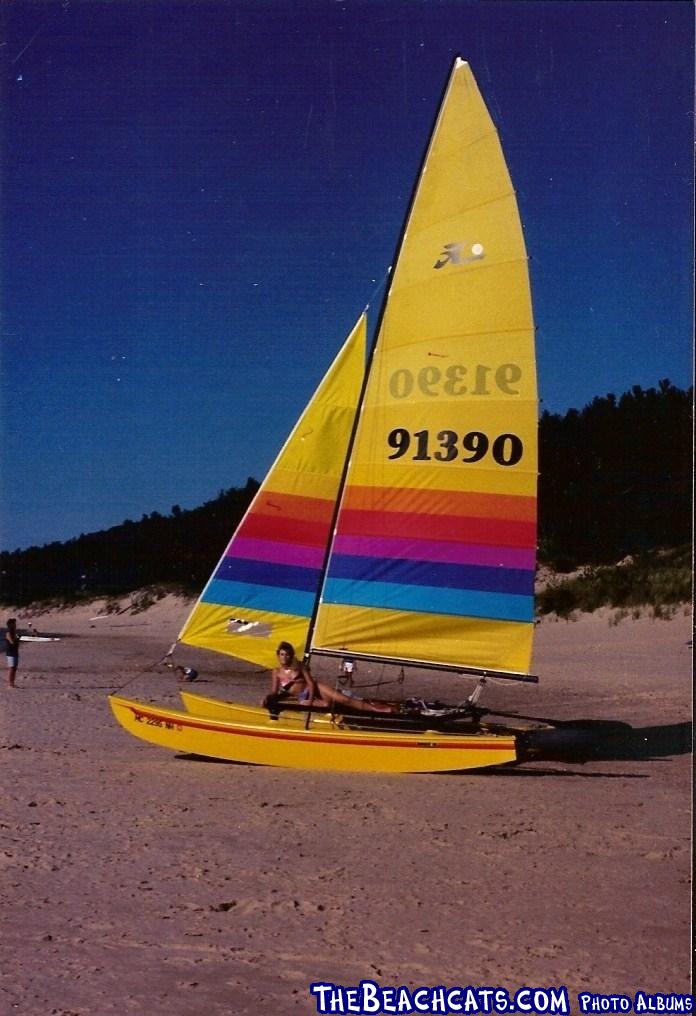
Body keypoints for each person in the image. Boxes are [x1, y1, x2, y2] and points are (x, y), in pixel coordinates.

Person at [263, 642, 398, 714]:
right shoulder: (276, 672)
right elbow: (274, 691)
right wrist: (268, 697)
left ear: (291, 655)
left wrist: (310, 701)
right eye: (281, 654)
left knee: (344, 699)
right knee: (328, 705)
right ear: (278, 655)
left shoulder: (300, 666)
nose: (284, 657)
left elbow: (310, 683)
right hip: (302, 698)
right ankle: (367, 708)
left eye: (286, 655)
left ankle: (378, 710)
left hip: (316, 689)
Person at [5, 618, 19, 688]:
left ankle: (12, 683)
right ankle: (10, 683)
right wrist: (16, 638)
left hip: (15, 652)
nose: (15, 625)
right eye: (14, 624)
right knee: (11, 668)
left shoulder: (14, 633)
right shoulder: (8, 633)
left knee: (14, 668)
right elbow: (12, 641)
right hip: (10, 653)